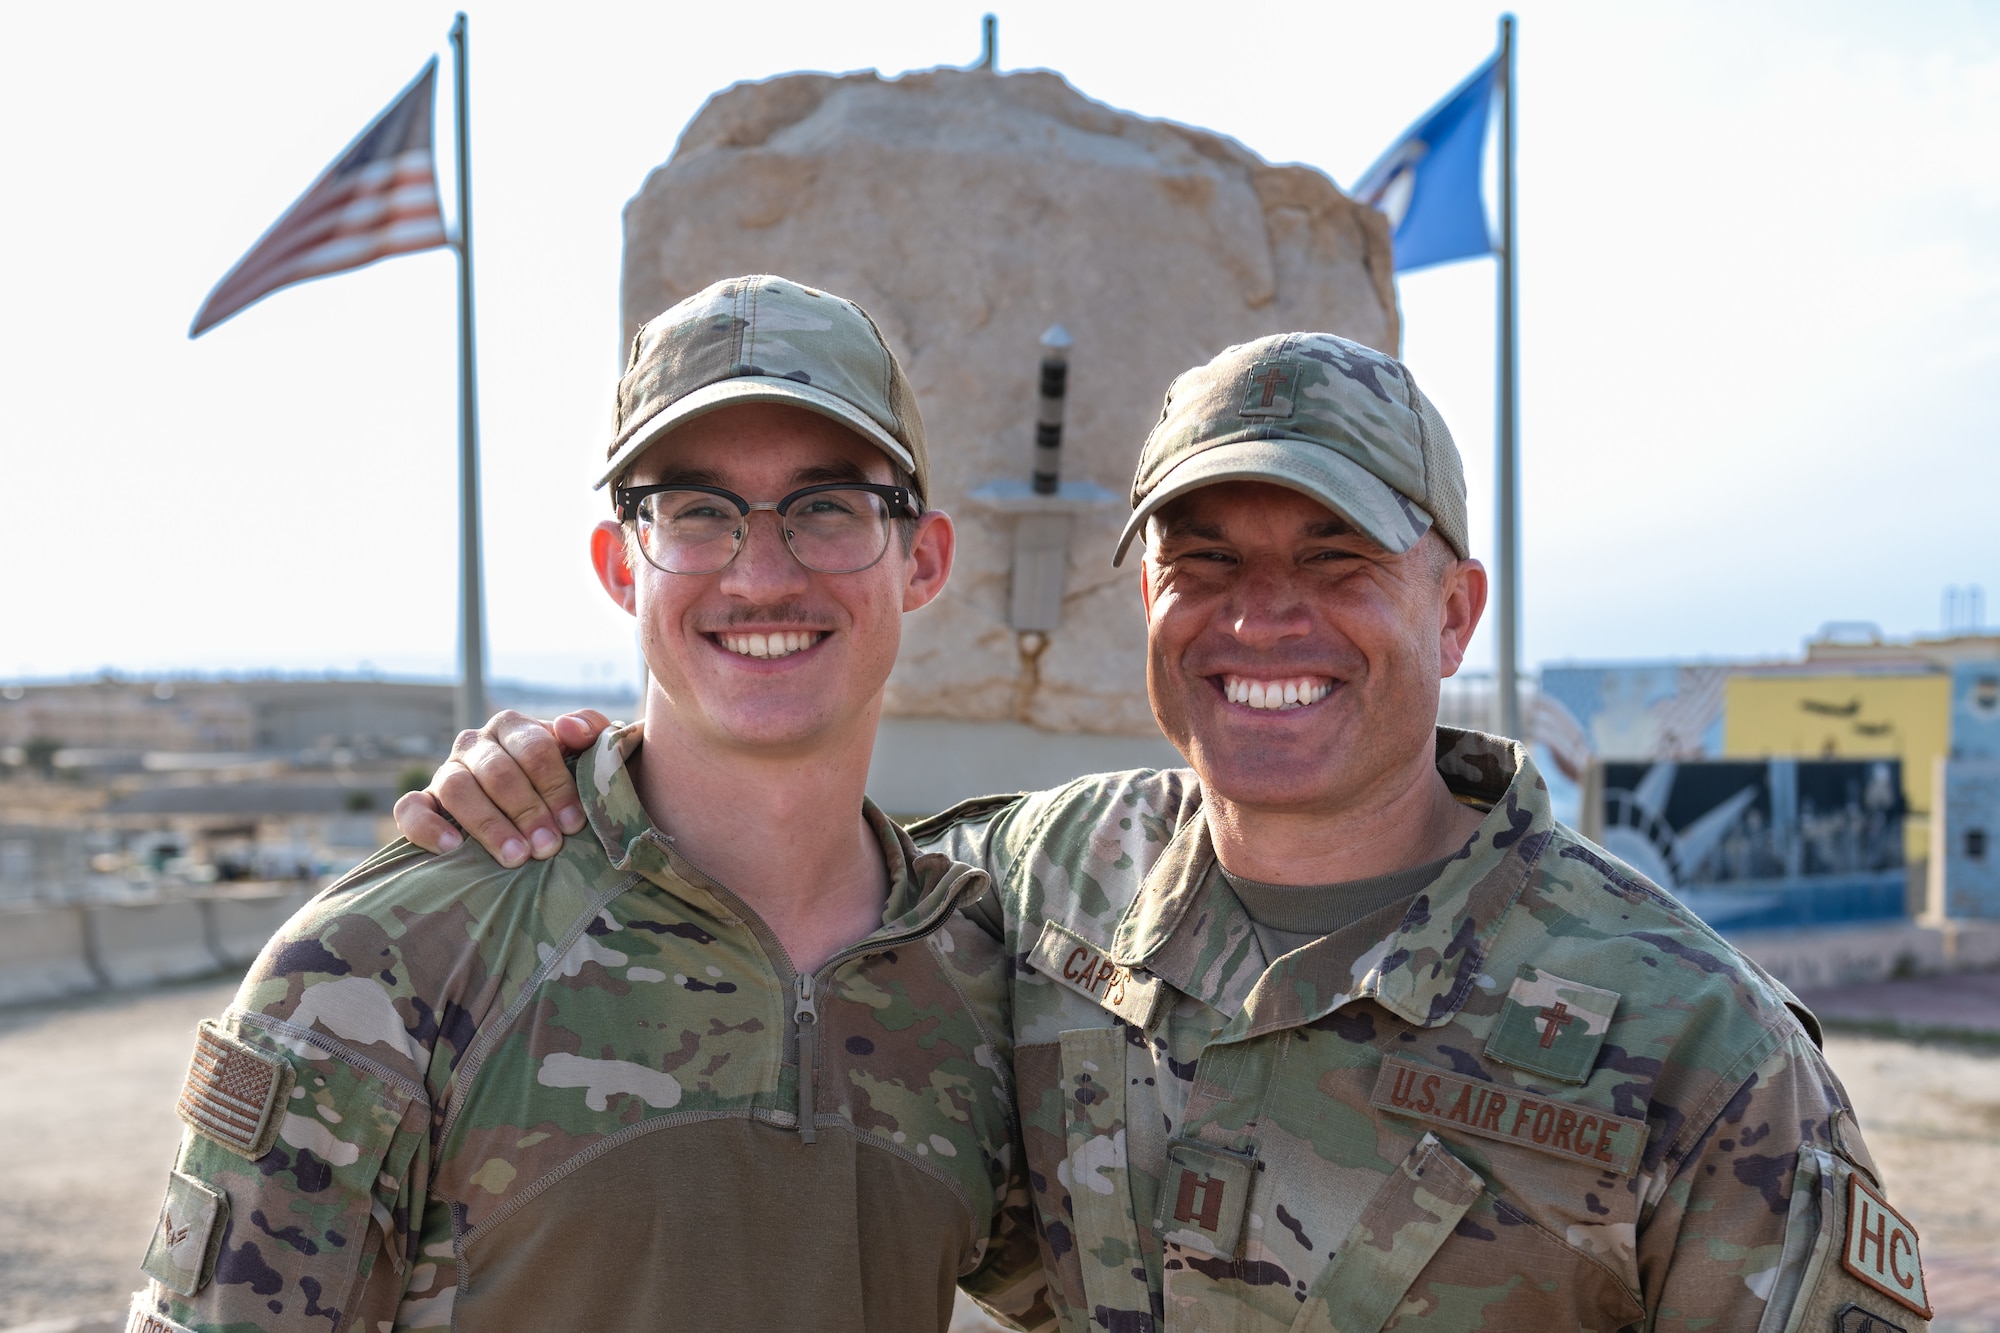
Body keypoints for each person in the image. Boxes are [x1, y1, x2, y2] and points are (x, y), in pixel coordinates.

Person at [405, 333, 1932, 1332]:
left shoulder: (1691, 1044)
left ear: (1453, 608)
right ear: (1145, 601)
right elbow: (781, 891)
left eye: (1334, 556)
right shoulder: (1035, 889)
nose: (1263, 614)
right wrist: (564, 774)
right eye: (1203, 561)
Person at [128, 275, 1049, 1333]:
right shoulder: (383, 968)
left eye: (825, 508)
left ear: (920, 558)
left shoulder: (980, 979)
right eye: (697, 512)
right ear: (620, 566)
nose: (757, 575)